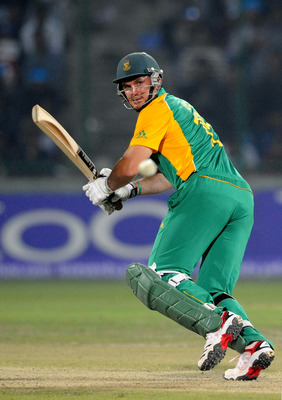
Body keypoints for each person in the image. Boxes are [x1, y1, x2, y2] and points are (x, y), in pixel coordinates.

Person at [83, 52, 275, 380]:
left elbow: (130, 165)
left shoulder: (156, 110)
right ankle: (256, 347)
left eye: (140, 82)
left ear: (155, 81)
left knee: (163, 272)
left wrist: (107, 184)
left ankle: (219, 322)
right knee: (215, 288)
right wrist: (128, 190)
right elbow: (161, 174)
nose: (134, 91)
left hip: (204, 191)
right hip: (240, 197)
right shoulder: (180, 109)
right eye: (127, 86)